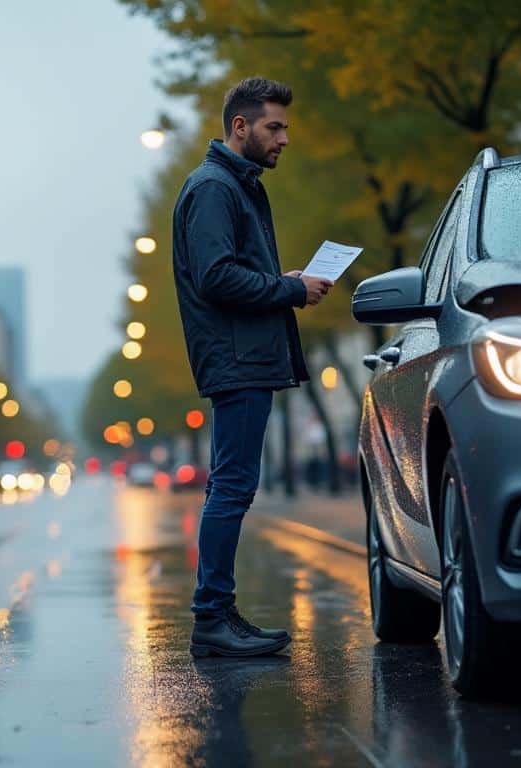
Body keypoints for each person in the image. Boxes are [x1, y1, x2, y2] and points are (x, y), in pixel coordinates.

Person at [172, 76, 332, 657]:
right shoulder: (216, 188)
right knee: (233, 484)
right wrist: (288, 291)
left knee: (233, 483)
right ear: (240, 127)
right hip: (236, 358)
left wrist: (282, 281)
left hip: (244, 354)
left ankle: (217, 614)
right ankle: (211, 618)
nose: (284, 137)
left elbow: (230, 270)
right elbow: (215, 277)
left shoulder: (234, 185)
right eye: (274, 126)